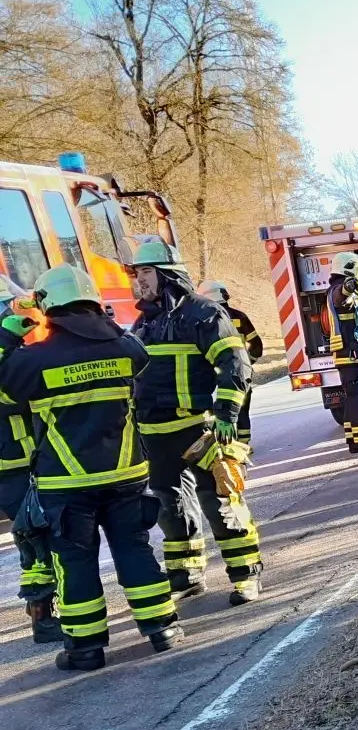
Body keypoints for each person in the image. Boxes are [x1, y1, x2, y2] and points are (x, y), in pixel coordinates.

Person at [0, 266, 183, 670]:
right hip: (126, 476)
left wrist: (11, 332)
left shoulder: (33, 360)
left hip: (66, 483)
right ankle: (162, 629)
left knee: (75, 562)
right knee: (135, 550)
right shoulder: (125, 347)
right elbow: (136, 353)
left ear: (48, 306)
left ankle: (85, 649)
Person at [126, 241, 263, 605]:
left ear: (167, 275)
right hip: (155, 433)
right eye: (136, 274)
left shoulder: (203, 313)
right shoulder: (144, 321)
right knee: (169, 507)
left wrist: (227, 415)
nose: (138, 281)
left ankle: (245, 574)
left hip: (199, 428)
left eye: (144, 273)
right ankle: (186, 574)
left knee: (219, 500)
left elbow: (236, 364)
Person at [0, 274, 63, 645]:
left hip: (18, 463)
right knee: (38, 538)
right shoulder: (8, 357)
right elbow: (15, 396)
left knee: (34, 536)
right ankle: (42, 615)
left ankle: (42, 611)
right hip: (15, 464)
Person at [197, 281, 264, 444]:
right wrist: (246, 365)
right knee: (241, 411)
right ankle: (243, 447)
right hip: (239, 375)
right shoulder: (239, 317)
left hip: (211, 377)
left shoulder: (201, 319)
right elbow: (257, 346)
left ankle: (222, 446)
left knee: (213, 413)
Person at [324, 253, 358, 455]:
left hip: (345, 354)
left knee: (351, 397)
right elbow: (341, 295)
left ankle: (353, 440)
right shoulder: (337, 290)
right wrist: (351, 285)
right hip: (350, 354)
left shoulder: (332, 289)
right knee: (357, 396)